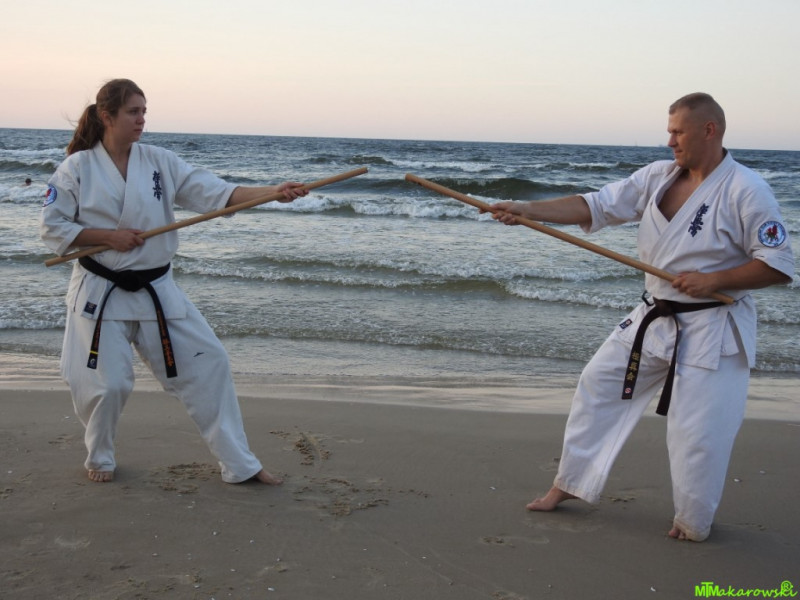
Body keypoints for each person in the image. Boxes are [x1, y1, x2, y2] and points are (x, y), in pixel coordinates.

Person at [488, 93, 794, 541]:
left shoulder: (747, 189)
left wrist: (716, 279)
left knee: (697, 432)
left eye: (678, 132)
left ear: (709, 130)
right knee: (599, 385)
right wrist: (529, 210)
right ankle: (570, 483)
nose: (669, 141)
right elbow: (595, 205)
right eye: (669, 131)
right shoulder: (658, 176)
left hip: (712, 326)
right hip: (654, 315)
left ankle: (693, 520)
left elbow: (778, 265)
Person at [40, 78, 307, 485]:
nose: (141, 120)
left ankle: (241, 465)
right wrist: (108, 237)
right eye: (133, 112)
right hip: (100, 290)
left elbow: (216, 193)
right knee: (108, 385)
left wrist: (273, 192)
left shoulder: (159, 161)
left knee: (210, 363)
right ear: (106, 116)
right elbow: (52, 226)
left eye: (144, 111)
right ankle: (100, 457)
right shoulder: (77, 168)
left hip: (157, 290)